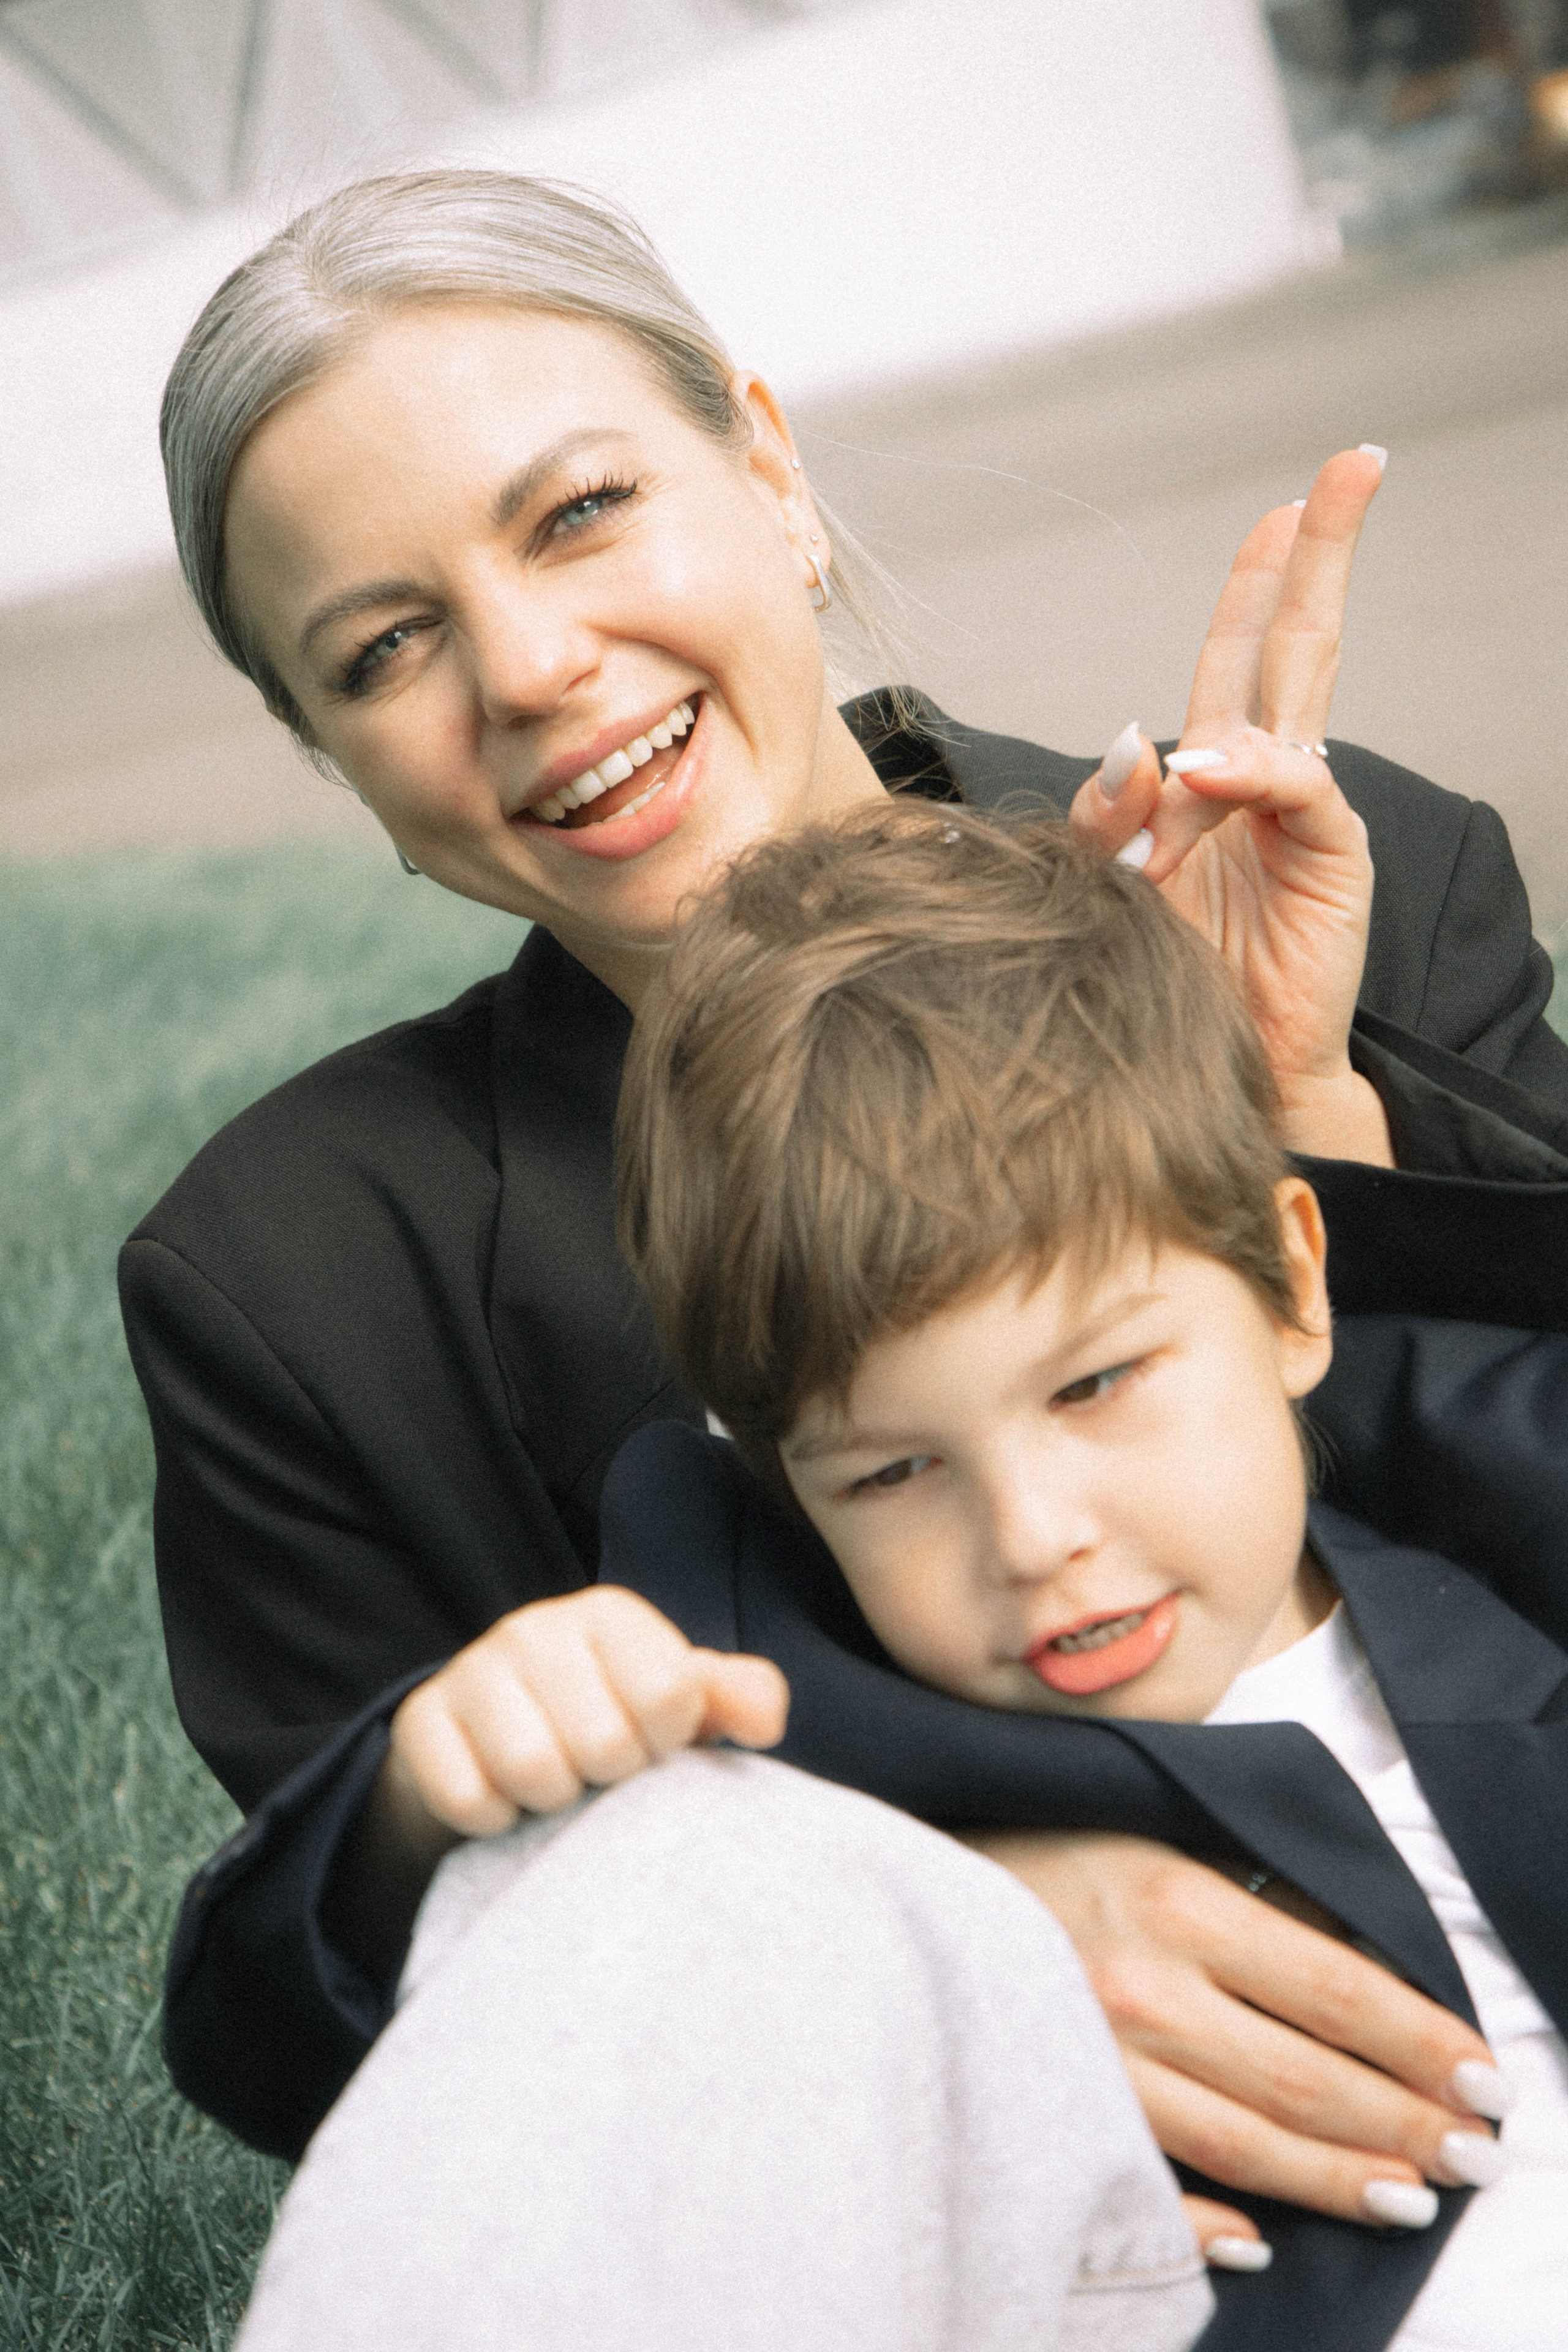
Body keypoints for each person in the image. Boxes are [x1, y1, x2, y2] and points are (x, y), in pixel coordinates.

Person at [125, 168, 1568, 2231]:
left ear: (770, 471)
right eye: (383, 647)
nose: (531, 665)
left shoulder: (1361, 884)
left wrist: (1299, 1120)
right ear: (327, 750)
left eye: (580, 512)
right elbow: (336, 2024)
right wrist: (938, 1913)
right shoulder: (300, 1282)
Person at [602, 802, 1561, 2351]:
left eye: (1094, 1385)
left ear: (1293, 1280)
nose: (1030, 1535)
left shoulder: (1503, 1546)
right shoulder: (791, 1736)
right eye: (891, 1471)